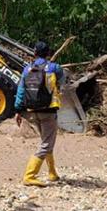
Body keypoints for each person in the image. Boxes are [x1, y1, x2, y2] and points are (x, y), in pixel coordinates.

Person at [14, 41, 64, 186]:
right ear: (48, 53)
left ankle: (52, 173)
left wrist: (18, 110)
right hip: (48, 111)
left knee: (45, 141)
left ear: (34, 53)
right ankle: (29, 175)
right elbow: (62, 82)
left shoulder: (27, 69)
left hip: (31, 111)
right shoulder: (55, 68)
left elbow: (21, 91)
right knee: (47, 144)